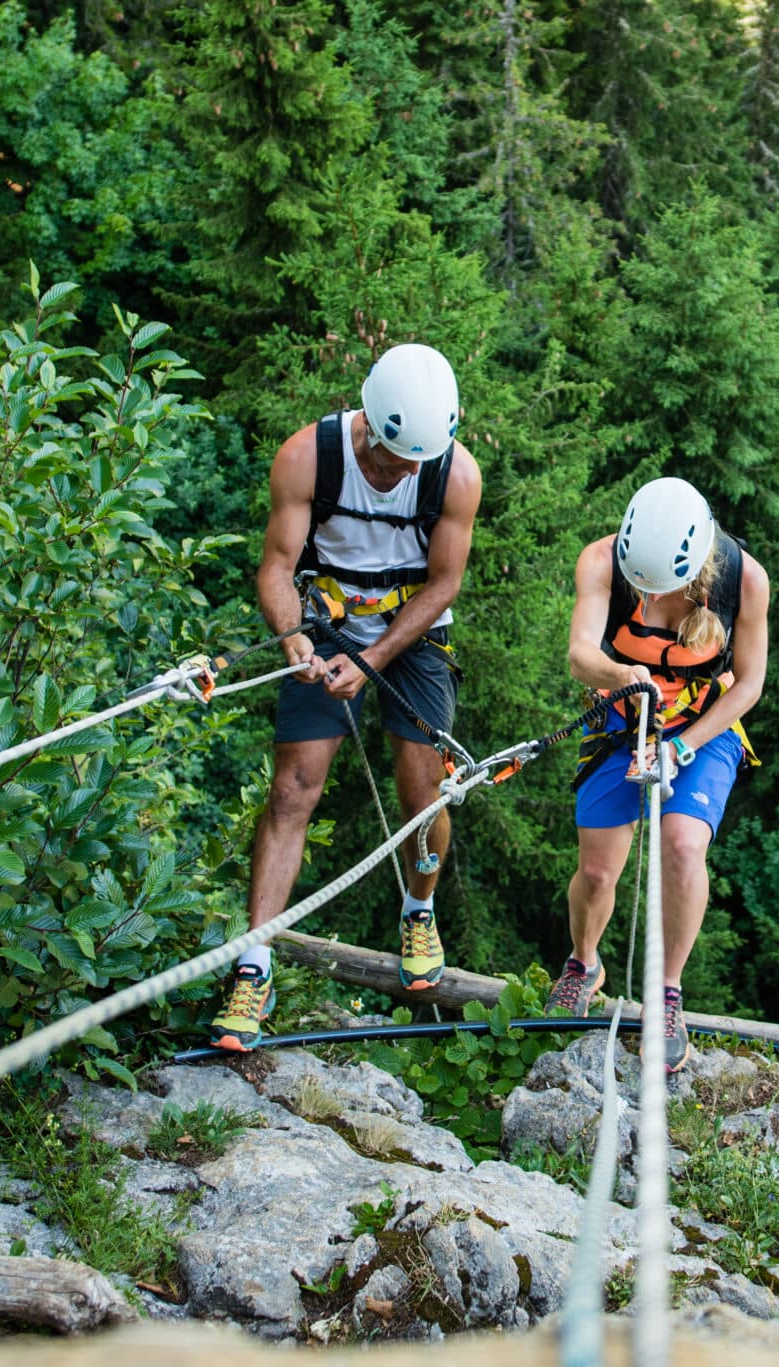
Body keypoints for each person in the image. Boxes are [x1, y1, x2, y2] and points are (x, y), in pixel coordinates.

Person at [208, 343, 484, 1051]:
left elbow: (444, 583)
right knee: (294, 788)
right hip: (324, 621)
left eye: (414, 460)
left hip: (411, 630)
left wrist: (372, 656)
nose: (401, 471)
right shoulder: (309, 457)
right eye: (392, 456)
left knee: (425, 788)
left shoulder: (453, 473)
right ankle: (255, 961)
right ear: (370, 421)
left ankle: (418, 910)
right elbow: (276, 566)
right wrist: (294, 635)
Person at [544, 477, 768, 1073]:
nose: (644, 600)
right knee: (596, 871)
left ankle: (666, 993)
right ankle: (584, 963)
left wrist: (683, 748)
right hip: (623, 722)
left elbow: (748, 683)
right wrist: (624, 678)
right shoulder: (602, 561)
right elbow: (580, 654)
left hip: (703, 725)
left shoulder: (743, 581)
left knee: (683, 844)